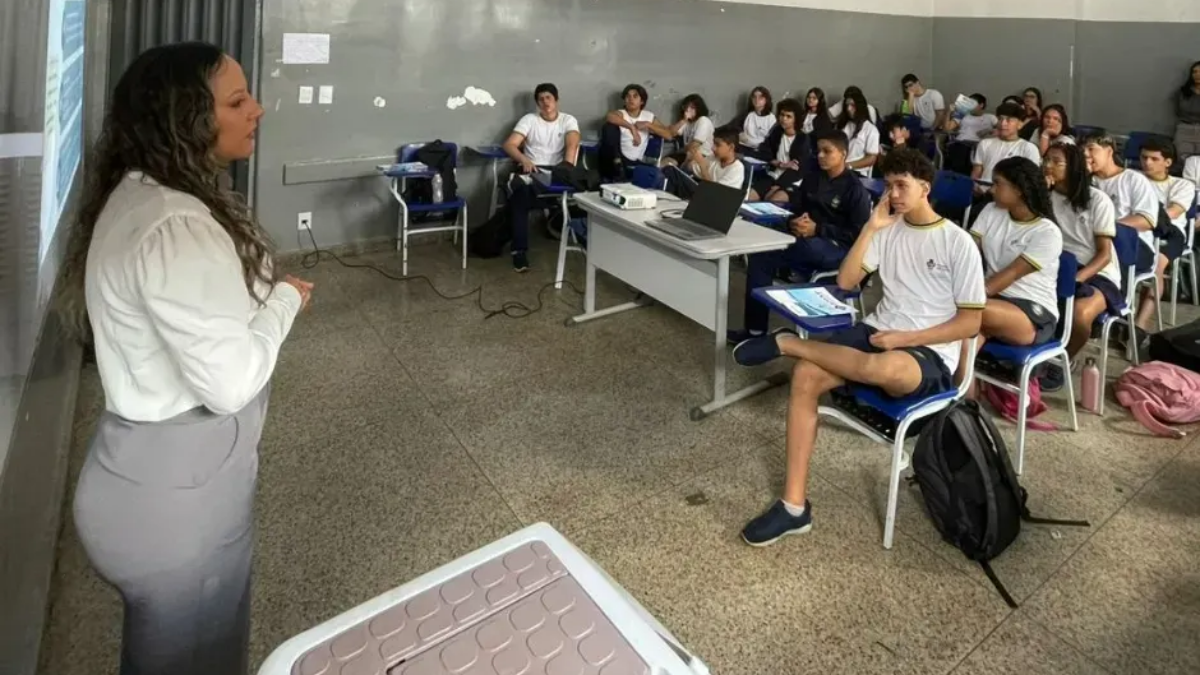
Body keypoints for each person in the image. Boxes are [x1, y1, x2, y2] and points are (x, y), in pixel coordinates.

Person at [56, 42, 311, 675]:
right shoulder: (175, 225)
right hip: (177, 500)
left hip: (151, 479)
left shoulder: (144, 194)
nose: (258, 108)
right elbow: (231, 382)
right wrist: (284, 299)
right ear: (185, 119)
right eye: (236, 100)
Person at [732, 148, 985, 546]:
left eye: (902, 186)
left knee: (885, 369)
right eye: (889, 186)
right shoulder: (888, 229)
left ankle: (790, 344)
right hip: (877, 330)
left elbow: (971, 322)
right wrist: (871, 227)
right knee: (807, 377)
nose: (894, 194)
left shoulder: (958, 243)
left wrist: (906, 339)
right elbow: (847, 283)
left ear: (925, 189)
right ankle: (794, 507)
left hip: (928, 349)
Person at [731, 128, 872, 342]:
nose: (821, 156)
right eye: (819, 151)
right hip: (805, 239)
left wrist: (818, 229)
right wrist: (792, 221)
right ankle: (755, 331)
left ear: (843, 153)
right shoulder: (813, 178)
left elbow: (858, 234)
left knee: (804, 247)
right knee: (761, 254)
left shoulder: (855, 190)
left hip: (837, 249)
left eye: (827, 151)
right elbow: (796, 207)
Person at [1038, 141, 1120, 392]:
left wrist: (1079, 278)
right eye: (1046, 159)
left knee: (1080, 314)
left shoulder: (1097, 200)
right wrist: (1040, 197)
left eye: (1056, 162)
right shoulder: (1046, 196)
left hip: (1096, 272)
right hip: (1056, 264)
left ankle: (1063, 358)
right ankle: (1037, 353)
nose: (1048, 166)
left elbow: (1105, 254)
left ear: (1072, 167)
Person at [968, 157, 1063, 364]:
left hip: (1030, 311)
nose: (992, 190)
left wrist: (966, 294)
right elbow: (968, 252)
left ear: (1019, 189)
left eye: (997, 184)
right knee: (967, 330)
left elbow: (1011, 274)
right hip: (992, 299)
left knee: (966, 311)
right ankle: (963, 390)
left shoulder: (1047, 232)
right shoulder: (991, 211)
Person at [1084, 134, 1161, 353]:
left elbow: (1147, 220)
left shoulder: (1133, 179)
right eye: (1084, 152)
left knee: (1114, 237)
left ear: (1109, 150)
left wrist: (1106, 225)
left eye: (1092, 149)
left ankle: (1112, 304)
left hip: (1136, 247)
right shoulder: (1087, 181)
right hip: (1094, 244)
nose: (1087, 156)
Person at [502, 82, 581, 272]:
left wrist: (566, 169)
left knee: (519, 200)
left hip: (557, 171)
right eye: (541, 99)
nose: (545, 102)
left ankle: (563, 228)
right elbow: (510, 145)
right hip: (532, 171)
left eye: (549, 98)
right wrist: (524, 159)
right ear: (537, 103)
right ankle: (519, 252)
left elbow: (572, 144)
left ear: (556, 100)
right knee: (520, 196)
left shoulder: (568, 120)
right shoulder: (529, 119)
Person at [1138, 136, 1192, 330]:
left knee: (1157, 265)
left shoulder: (1182, 185)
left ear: (1168, 162)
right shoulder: (1134, 179)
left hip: (1171, 231)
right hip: (1138, 228)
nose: (1147, 162)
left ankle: (1140, 325)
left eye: (1154, 159)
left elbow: (1173, 213)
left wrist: (1145, 219)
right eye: (1144, 157)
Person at [598, 83, 673, 180]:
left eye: (635, 96)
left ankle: (619, 172)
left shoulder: (648, 116)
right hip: (615, 158)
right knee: (609, 127)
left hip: (634, 161)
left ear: (642, 101)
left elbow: (669, 135)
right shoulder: (621, 113)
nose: (630, 99)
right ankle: (617, 164)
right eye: (627, 96)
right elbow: (609, 117)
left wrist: (648, 124)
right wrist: (632, 128)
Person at [749, 98, 810, 202]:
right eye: (782, 115)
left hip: (791, 181)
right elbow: (763, 152)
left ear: (796, 119)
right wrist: (780, 164)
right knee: (749, 196)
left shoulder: (803, 139)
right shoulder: (777, 132)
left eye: (788, 116)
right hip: (773, 175)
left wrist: (778, 186)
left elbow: (798, 170)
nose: (784, 119)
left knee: (772, 200)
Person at [971, 102, 1041, 190]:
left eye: (1009, 120)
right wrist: (974, 187)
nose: (1003, 123)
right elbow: (976, 173)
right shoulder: (985, 143)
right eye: (1000, 119)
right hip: (983, 192)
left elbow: (1031, 180)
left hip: (1011, 196)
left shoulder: (1029, 148)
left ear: (1020, 124)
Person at [664, 127, 745, 198]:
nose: (713, 148)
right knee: (670, 170)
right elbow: (688, 169)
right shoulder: (713, 158)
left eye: (718, 145)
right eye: (713, 143)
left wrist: (702, 165)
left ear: (731, 147)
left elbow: (716, 194)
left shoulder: (737, 168)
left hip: (715, 202)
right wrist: (689, 159)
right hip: (701, 192)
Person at [944, 93, 996, 174]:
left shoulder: (990, 117)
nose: (970, 106)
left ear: (981, 105)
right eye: (968, 103)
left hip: (979, 145)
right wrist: (949, 112)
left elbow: (1001, 130)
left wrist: (989, 130)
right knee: (959, 149)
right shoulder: (962, 115)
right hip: (961, 143)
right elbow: (947, 128)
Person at [835, 88, 881, 177]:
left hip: (855, 172)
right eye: (847, 105)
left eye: (852, 105)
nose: (848, 109)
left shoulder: (871, 129)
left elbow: (871, 158)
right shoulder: (843, 124)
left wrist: (848, 165)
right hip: (837, 168)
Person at [661, 93, 715, 167]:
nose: (688, 110)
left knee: (673, 165)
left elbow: (694, 145)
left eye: (692, 107)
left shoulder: (703, 120)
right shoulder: (687, 122)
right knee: (664, 163)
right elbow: (670, 133)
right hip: (687, 153)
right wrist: (683, 120)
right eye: (686, 107)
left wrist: (681, 150)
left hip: (702, 155)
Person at [723, 86, 776, 157]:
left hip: (759, 150)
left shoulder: (771, 118)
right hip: (743, 147)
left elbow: (771, 141)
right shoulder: (748, 114)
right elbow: (731, 126)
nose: (757, 100)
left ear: (766, 100)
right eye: (754, 97)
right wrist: (740, 132)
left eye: (760, 97)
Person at [1174, 61, 1200, 159]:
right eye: (1194, 72)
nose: (1197, 75)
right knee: (1183, 160)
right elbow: (1177, 110)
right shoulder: (1183, 92)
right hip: (1185, 129)